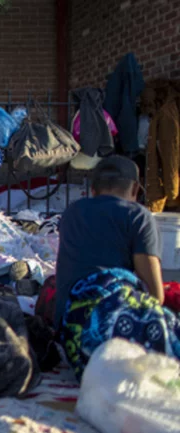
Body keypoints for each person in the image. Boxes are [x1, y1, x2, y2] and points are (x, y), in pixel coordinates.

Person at [56, 155, 176, 378]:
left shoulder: (72, 213)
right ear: (136, 189)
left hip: (71, 339)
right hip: (113, 341)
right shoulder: (139, 216)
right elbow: (156, 295)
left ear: (93, 189)